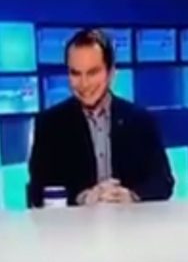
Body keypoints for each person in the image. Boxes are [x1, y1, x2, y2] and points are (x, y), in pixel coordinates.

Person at [28, 29, 174, 207]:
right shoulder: (50, 125)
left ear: (111, 73)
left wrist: (131, 195)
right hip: (73, 224)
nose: (84, 84)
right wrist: (82, 198)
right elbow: (37, 190)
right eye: (75, 73)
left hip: (131, 222)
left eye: (92, 72)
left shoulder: (140, 121)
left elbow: (163, 182)